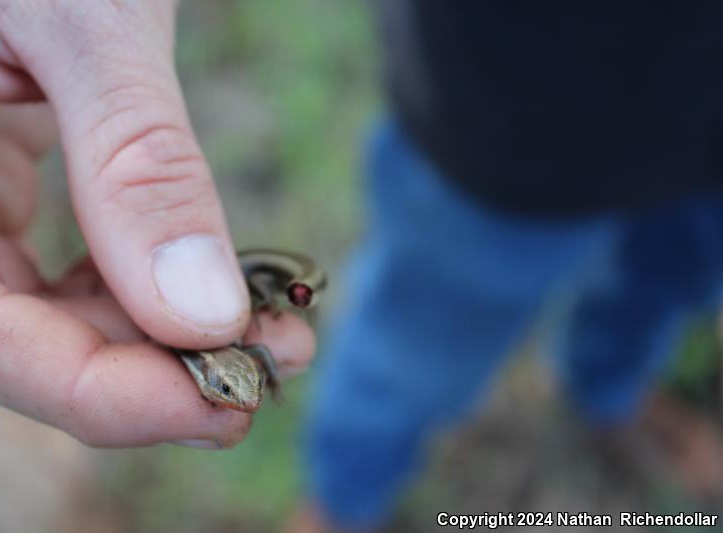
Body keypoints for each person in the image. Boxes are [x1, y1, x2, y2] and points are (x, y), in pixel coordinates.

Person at [300, 1, 723, 531]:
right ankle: (342, 499)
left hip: (705, 117)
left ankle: (608, 390)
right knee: (417, 350)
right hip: (514, 98)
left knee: (668, 283)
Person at [0, 1, 314, 449]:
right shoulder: (188, 347)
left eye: (247, 390)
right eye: (228, 390)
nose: (241, 400)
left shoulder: (209, 352)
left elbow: (256, 354)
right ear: (209, 374)